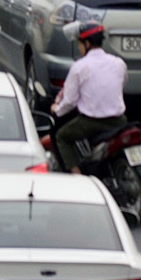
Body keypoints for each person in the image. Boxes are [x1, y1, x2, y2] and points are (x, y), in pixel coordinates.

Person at [50, 21, 127, 172]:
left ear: (86, 43)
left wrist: (56, 110)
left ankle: (77, 176)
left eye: (79, 43)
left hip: (92, 123)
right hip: (119, 121)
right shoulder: (119, 63)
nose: (79, 47)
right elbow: (121, 84)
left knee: (62, 137)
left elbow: (70, 101)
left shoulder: (79, 66)